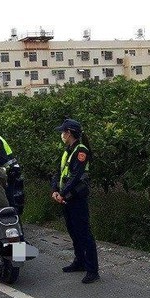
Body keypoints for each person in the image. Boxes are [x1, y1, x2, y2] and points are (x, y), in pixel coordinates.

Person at [51, 119, 100, 284]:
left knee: (84, 233)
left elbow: (75, 176)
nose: (61, 135)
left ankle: (92, 270)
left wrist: (62, 193)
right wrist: (55, 190)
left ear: (69, 133)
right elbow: (58, 172)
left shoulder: (81, 151)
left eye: (63, 132)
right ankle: (79, 262)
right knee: (73, 232)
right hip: (66, 198)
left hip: (77, 198)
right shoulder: (68, 150)